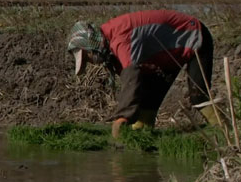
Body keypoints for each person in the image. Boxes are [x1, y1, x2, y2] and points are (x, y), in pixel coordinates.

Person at [67, 9, 220, 138]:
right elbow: (136, 82)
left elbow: (131, 77)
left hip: (194, 37)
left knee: (198, 96)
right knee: (148, 101)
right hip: (166, 55)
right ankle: (143, 139)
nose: (92, 62)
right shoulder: (110, 42)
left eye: (88, 57)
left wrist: (122, 117)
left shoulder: (120, 39)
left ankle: (225, 132)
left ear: (91, 44)